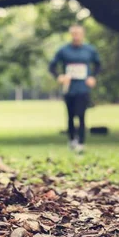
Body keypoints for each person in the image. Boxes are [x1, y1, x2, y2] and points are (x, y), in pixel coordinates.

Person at [49, 24, 101, 153]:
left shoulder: (90, 50)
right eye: (74, 33)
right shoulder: (64, 50)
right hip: (69, 88)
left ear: (83, 34)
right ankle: (72, 139)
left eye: (79, 33)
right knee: (70, 115)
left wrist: (93, 77)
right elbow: (52, 66)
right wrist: (59, 76)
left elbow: (98, 65)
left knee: (82, 115)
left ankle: (81, 142)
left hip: (83, 88)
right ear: (71, 34)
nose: (76, 36)